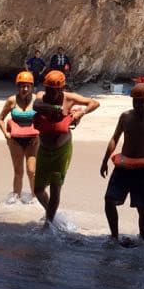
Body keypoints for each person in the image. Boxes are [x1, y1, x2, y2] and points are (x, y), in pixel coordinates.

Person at [32, 70, 100, 225]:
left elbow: (95, 103)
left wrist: (81, 113)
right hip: (44, 148)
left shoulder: (70, 98)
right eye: (49, 89)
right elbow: (36, 105)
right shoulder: (41, 96)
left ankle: (48, 223)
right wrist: (55, 110)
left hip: (62, 150)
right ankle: (52, 214)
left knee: (56, 187)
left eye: (55, 90)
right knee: (38, 190)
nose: (51, 92)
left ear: (62, 88)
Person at [100, 82, 144, 245]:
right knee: (109, 200)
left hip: (142, 170)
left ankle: (143, 240)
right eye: (135, 101)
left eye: (141, 102)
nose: (138, 105)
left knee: (142, 207)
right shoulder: (125, 116)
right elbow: (115, 138)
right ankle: (114, 236)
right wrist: (105, 160)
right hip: (123, 167)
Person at [0, 70, 39, 204]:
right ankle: (16, 197)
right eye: (22, 86)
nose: (24, 89)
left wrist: (40, 135)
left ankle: (35, 197)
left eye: (27, 86)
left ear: (32, 87)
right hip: (15, 141)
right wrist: (6, 134)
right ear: (17, 87)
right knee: (18, 171)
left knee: (32, 171)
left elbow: (45, 119)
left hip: (32, 140)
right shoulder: (11, 100)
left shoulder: (37, 100)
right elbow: (0, 119)